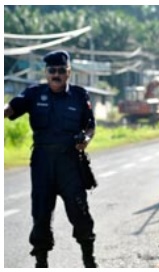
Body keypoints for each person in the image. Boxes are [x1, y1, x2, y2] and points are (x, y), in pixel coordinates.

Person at [4, 50, 98, 268]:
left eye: (61, 71)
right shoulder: (34, 94)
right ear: (45, 73)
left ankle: (89, 259)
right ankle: (41, 261)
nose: (56, 75)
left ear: (69, 72)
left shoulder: (79, 95)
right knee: (41, 214)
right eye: (52, 71)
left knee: (79, 212)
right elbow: (10, 108)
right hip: (42, 163)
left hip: (70, 164)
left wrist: (86, 138)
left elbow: (90, 125)